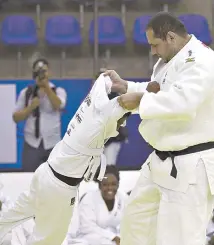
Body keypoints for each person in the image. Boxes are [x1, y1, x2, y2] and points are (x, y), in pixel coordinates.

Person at [104, 11, 214, 245]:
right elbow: (159, 90)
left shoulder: (202, 61)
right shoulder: (171, 60)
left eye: (155, 45)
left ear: (171, 37)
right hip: (161, 160)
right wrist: (126, 87)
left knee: (180, 239)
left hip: (192, 163)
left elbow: (182, 103)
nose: (152, 51)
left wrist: (138, 101)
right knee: (135, 224)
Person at [0, 73, 138, 245]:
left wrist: (116, 84)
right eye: (122, 120)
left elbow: (103, 80)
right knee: (49, 241)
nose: (122, 125)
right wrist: (157, 91)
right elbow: (128, 101)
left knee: (12, 216)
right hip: (60, 188)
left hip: (46, 173)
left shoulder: (91, 103)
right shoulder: (101, 120)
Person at [12, 58, 67, 171]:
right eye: (39, 71)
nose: (42, 74)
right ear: (34, 73)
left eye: (44, 71)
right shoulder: (26, 93)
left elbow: (59, 105)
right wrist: (30, 108)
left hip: (53, 143)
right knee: (28, 178)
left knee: (55, 178)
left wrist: (46, 87)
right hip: (31, 143)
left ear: (49, 72)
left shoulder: (58, 91)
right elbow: (15, 118)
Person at [65, 165, 128, 245]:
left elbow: (128, 223)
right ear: (99, 185)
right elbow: (87, 227)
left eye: (113, 184)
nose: (110, 188)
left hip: (116, 239)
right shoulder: (89, 199)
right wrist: (112, 237)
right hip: (89, 239)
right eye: (105, 184)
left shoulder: (123, 198)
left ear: (118, 184)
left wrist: (120, 237)